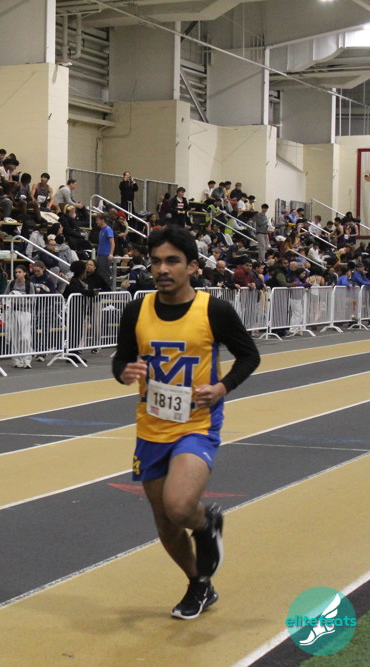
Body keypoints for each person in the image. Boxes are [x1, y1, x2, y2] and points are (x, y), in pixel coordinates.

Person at [113, 224, 260, 620]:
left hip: (196, 424)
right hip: (151, 427)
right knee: (165, 522)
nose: (163, 269)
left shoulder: (213, 310)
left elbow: (249, 355)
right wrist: (125, 371)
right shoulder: (136, 310)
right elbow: (121, 359)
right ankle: (199, 583)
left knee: (179, 507)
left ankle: (206, 521)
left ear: (192, 266)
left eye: (172, 261)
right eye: (156, 261)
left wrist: (223, 387)